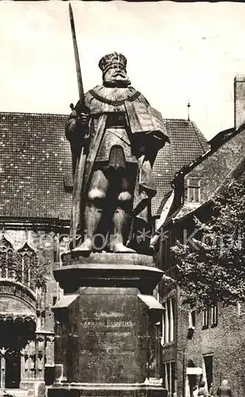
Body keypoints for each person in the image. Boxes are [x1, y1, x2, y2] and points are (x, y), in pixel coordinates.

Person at [65, 52, 169, 253]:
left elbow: (155, 126)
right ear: (105, 71)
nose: (118, 70)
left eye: (121, 68)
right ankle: (89, 241)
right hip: (99, 149)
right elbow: (71, 127)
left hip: (129, 150)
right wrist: (80, 124)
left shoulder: (137, 97)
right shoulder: (90, 97)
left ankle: (118, 242)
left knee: (124, 197)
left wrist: (153, 136)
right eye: (113, 68)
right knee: (95, 194)